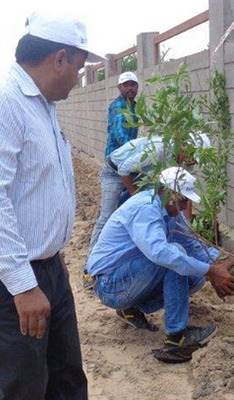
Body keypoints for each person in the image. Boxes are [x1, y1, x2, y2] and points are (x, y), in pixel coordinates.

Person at [0, 12, 103, 399]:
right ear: (60, 58)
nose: (78, 79)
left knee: (67, 380)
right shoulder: (1, 102)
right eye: (80, 69)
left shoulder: (42, 108)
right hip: (3, 279)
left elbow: (37, 190)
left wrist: (52, 252)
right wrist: (23, 285)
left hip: (45, 270)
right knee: (25, 389)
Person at [86, 167, 234, 363]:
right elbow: (161, 253)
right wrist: (211, 270)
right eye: (183, 200)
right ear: (169, 193)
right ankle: (177, 339)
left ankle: (132, 308)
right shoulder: (145, 208)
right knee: (173, 256)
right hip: (110, 285)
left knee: (194, 279)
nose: (185, 206)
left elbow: (191, 243)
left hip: (128, 280)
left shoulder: (169, 210)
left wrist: (216, 263)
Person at [83, 71, 140, 289]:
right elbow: (121, 137)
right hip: (115, 169)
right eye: (126, 85)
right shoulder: (119, 108)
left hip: (128, 166)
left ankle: (112, 258)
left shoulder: (133, 107)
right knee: (106, 217)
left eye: (133, 84)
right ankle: (89, 268)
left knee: (119, 213)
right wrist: (137, 154)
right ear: (119, 87)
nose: (130, 88)